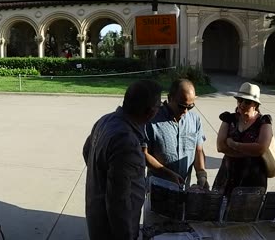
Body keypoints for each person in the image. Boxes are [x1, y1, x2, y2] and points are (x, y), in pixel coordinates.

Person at [82, 79, 162, 240]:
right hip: (113, 229)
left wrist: (100, 176)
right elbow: (118, 202)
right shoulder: (127, 142)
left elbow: (86, 151)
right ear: (151, 111)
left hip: (97, 215)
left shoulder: (105, 120)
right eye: (159, 106)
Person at [143, 79, 209, 189]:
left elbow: (198, 150)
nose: (185, 111)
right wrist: (167, 173)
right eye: (182, 106)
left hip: (183, 190)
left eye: (190, 106)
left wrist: (201, 175)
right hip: (158, 190)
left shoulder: (195, 120)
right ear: (170, 98)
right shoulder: (152, 120)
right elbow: (143, 154)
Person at [212, 82, 273, 196]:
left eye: (247, 101)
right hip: (228, 176)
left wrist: (234, 145)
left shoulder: (264, 122)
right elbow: (220, 146)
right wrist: (250, 152)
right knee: (221, 209)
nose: (242, 104)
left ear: (255, 104)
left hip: (253, 178)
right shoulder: (229, 118)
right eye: (239, 100)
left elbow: (261, 148)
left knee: (247, 211)